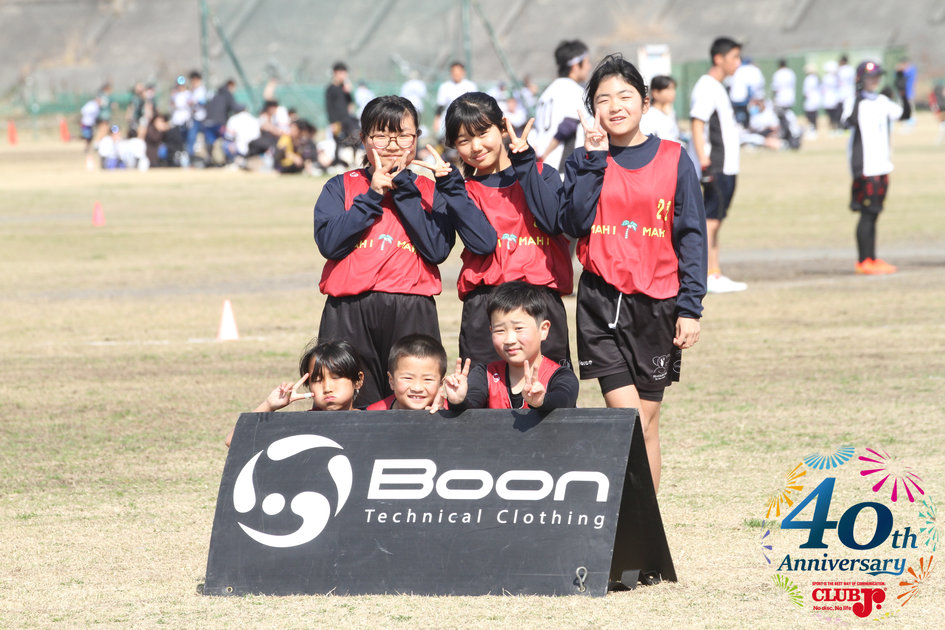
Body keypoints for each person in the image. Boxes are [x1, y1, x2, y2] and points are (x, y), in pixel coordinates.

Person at [561, 54, 707, 492]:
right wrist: (594, 159)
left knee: (647, 423)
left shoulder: (675, 158)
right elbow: (573, 223)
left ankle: (647, 524)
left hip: (657, 304)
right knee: (626, 419)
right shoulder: (583, 159)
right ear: (593, 109)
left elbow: (691, 236)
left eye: (625, 96)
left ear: (645, 102)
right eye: (603, 99)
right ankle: (625, 517)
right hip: (600, 302)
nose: (615, 106)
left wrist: (690, 307)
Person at [314, 95, 488, 407]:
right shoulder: (340, 186)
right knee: (347, 403)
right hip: (349, 311)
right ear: (364, 138)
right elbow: (330, 243)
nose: (392, 146)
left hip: (412, 307)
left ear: (416, 138)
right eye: (381, 136)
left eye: (403, 136)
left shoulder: (430, 190)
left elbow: (436, 248)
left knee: (414, 401)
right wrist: (372, 195)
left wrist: (405, 189)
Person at [425, 91, 571, 367]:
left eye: (483, 133)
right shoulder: (460, 191)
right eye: (464, 140)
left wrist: (525, 164)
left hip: (539, 300)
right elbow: (482, 243)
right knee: (482, 390)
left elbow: (553, 223)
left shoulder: (542, 173)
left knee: (549, 388)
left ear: (503, 127)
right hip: (485, 306)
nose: (476, 146)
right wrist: (452, 191)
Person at [442, 281, 579, 411]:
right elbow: (471, 406)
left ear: (543, 330)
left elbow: (563, 399)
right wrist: (458, 401)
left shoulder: (561, 376)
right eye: (500, 330)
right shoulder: (484, 375)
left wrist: (542, 401)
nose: (509, 340)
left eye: (518, 328)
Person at [224, 339, 365, 446]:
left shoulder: (373, 421)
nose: (327, 388)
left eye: (336, 377)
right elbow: (233, 441)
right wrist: (269, 405)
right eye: (317, 380)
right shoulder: (302, 424)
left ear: (358, 380)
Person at [841, 61, 911, 275]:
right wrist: (857, 94)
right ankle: (863, 260)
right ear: (860, 79)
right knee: (867, 212)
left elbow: (905, 115)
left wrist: (902, 91)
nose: (875, 81)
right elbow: (848, 121)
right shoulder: (855, 101)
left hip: (882, 164)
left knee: (875, 212)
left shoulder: (882, 101)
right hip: (865, 166)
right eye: (870, 77)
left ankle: (871, 257)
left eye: (877, 77)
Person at [690, 37, 746, 293]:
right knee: (710, 220)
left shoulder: (718, 87)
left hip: (727, 165)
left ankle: (714, 272)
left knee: (716, 219)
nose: (738, 62)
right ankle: (707, 274)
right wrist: (704, 161)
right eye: (734, 57)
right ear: (718, 58)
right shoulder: (707, 87)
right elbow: (697, 123)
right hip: (716, 164)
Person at [529, 39, 592, 173]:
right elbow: (567, 126)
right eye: (587, 62)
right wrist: (545, 154)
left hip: (542, 166)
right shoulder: (574, 90)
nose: (589, 67)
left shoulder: (546, 92)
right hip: (561, 168)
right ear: (575, 66)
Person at [365, 334, 448, 410]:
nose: (417, 388)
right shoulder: (374, 413)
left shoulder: (449, 412)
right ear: (391, 381)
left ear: (440, 384)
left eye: (428, 379)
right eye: (408, 378)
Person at [326, 61, 359, 168]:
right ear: (335, 73)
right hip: (337, 120)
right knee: (338, 142)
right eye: (342, 73)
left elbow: (351, 103)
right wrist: (332, 122)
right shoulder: (330, 89)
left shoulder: (344, 88)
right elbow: (329, 107)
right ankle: (337, 163)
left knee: (354, 138)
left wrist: (348, 92)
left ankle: (353, 162)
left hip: (347, 119)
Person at [434, 62, 477, 139]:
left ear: (463, 72)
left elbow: (475, 103)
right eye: (454, 72)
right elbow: (440, 105)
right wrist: (437, 120)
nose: (456, 74)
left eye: (458, 72)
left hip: (467, 118)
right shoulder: (445, 86)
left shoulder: (470, 86)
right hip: (450, 119)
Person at [640, 75, 680, 142]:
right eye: (668, 89)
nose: (673, 93)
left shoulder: (671, 112)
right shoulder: (649, 115)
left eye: (674, 89)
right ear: (655, 93)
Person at [802, 63, 821, 139]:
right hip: (815, 99)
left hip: (810, 100)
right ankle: (814, 130)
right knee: (814, 116)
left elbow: (805, 91)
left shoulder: (808, 79)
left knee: (810, 116)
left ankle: (812, 130)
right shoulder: (816, 78)